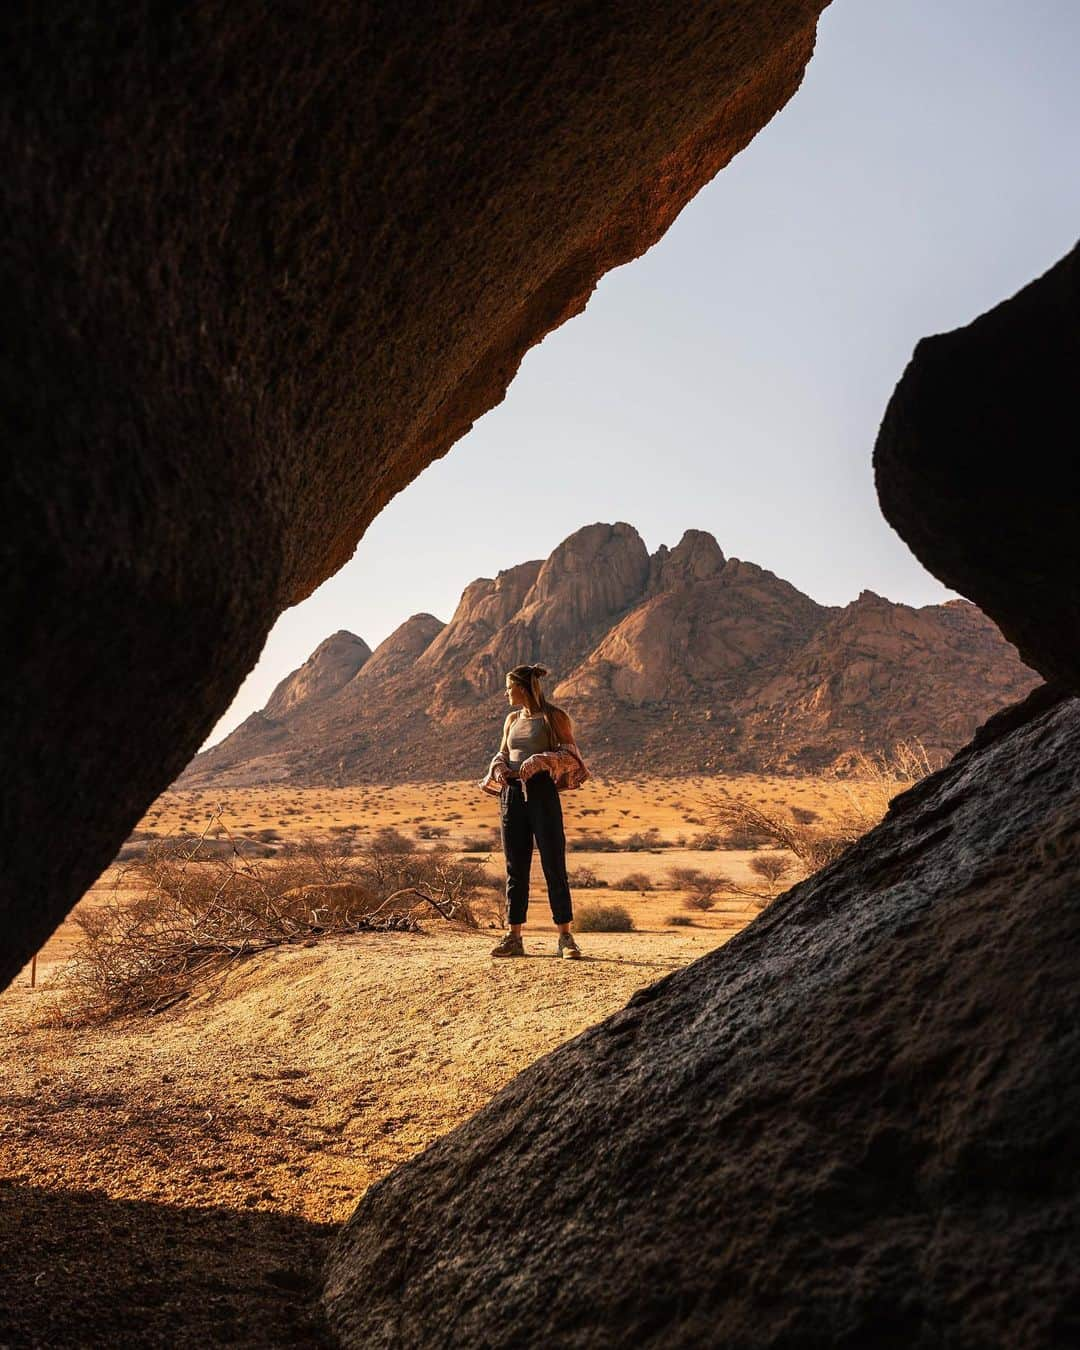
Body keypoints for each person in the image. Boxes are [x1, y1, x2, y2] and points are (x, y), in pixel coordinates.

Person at [480, 664, 589, 959]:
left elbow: (572, 757)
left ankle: (566, 938)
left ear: (524, 688)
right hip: (511, 793)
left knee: (554, 863)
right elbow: (504, 751)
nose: (505, 693)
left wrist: (542, 759)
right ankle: (514, 937)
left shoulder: (554, 718)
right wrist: (499, 764)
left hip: (542, 792)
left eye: (509, 687)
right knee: (515, 867)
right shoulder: (512, 719)